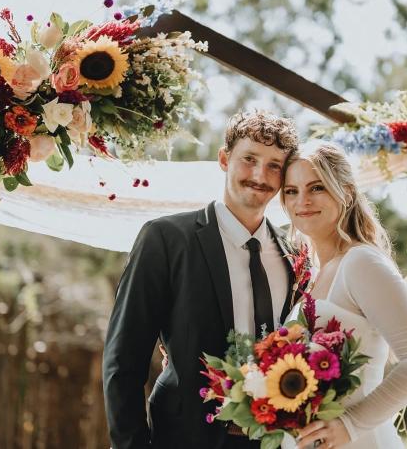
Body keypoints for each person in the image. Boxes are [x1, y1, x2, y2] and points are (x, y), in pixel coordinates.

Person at [102, 110, 299, 449]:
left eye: (274, 166)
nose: (259, 175)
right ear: (224, 159)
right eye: (249, 159)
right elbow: (124, 361)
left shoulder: (294, 254)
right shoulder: (165, 238)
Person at [281, 142, 407, 449]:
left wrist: (350, 424)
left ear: (347, 192)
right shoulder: (313, 275)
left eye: (316, 188)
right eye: (291, 191)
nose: (301, 201)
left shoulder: (361, 262)